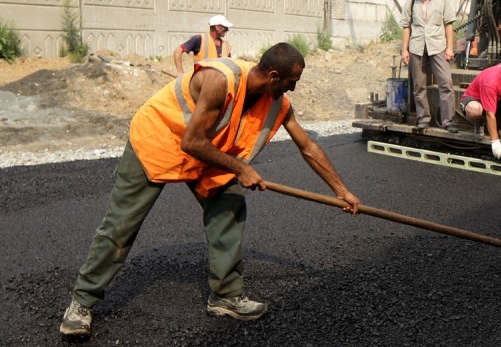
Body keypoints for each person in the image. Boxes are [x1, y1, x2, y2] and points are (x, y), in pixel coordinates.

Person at [60, 43, 360, 338]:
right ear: (273, 77)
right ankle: (81, 302)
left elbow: (307, 146)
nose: (292, 90)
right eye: (291, 82)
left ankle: (226, 296)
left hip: (211, 152)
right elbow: (190, 142)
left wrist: (341, 191)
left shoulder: (278, 104)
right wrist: (241, 168)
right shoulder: (220, 80)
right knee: (122, 224)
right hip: (159, 140)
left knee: (229, 208)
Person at [400, 0, 458, 133]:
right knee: (419, 86)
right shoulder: (411, 2)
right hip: (417, 47)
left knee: (446, 83)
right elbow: (406, 27)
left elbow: (449, 25)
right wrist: (404, 50)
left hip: (438, 47)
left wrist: (449, 47)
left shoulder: (442, 0)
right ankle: (423, 119)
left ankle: (449, 121)